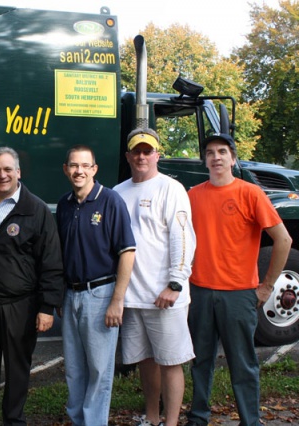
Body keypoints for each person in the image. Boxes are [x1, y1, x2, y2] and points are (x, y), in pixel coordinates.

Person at [186, 133, 291, 426]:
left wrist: (266, 287)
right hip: (200, 291)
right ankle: (198, 417)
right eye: (210, 152)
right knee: (200, 361)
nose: (216, 157)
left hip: (239, 294)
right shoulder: (193, 196)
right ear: (205, 160)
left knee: (243, 364)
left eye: (222, 151)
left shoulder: (251, 193)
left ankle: (250, 420)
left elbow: (283, 240)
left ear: (233, 158)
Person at [0, 146, 64, 426]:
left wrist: (47, 307)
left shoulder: (36, 210)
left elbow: (51, 261)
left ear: (18, 172)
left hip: (21, 305)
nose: (2, 175)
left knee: (18, 371)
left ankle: (13, 421)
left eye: (8, 169)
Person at [113, 128, 196, 426]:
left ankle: (170, 422)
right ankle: (151, 417)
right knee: (146, 361)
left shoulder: (171, 189)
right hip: (132, 298)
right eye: (136, 151)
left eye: (147, 151)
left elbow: (183, 239)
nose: (141, 156)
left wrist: (175, 283)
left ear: (157, 155)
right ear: (127, 156)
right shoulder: (117, 192)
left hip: (164, 296)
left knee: (171, 362)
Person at [57, 145, 136, 426]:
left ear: (94, 169)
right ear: (66, 169)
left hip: (100, 294)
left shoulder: (111, 201)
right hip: (71, 294)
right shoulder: (65, 204)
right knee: (74, 369)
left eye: (85, 166)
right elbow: (61, 254)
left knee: (99, 370)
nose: (79, 171)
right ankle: (78, 421)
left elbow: (127, 252)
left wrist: (117, 300)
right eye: (73, 165)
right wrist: (60, 296)